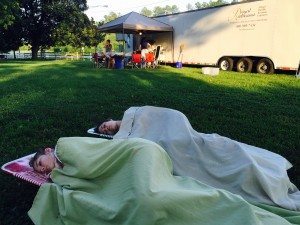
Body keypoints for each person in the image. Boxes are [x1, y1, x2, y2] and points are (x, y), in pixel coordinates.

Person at [94, 106, 300, 211]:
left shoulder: (135, 112)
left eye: (104, 123)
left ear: (111, 119)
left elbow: (172, 116)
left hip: (193, 138)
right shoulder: (127, 138)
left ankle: (260, 169)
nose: (105, 127)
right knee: (230, 168)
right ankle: (254, 177)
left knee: (229, 149)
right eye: (103, 131)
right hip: (179, 149)